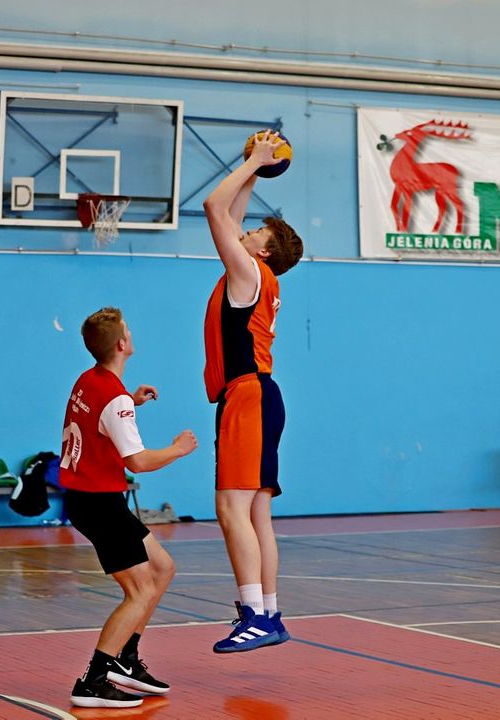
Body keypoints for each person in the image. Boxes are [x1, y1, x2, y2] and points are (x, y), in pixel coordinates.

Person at [60, 307, 198, 708]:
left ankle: (126, 658)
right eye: (128, 330)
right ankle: (93, 680)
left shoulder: (89, 380)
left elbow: (100, 420)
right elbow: (136, 461)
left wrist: (130, 402)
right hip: (98, 503)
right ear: (122, 344)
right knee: (140, 591)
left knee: (162, 568)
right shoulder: (114, 397)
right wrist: (177, 449)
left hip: (90, 498)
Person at [202, 130, 303, 653]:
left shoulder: (249, 271)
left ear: (264, 249)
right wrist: (256, 169)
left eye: (256, 231)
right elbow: (229, 215)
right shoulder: (254, 272)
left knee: (230, 507)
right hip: (258, 395)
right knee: (257, 513)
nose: (245, 231)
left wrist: (254, 162)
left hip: (248, 397)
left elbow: (213, 207)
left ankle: (255, 614)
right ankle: (269, 613)